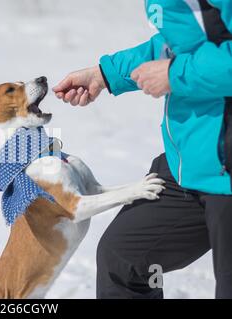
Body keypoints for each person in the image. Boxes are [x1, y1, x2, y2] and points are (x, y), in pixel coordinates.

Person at [53, 0, 232, 299]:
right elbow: (181, 42)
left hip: (226, 172)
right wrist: (107, 74)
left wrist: (175, 74)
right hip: (188, 163)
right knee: (123, 260)